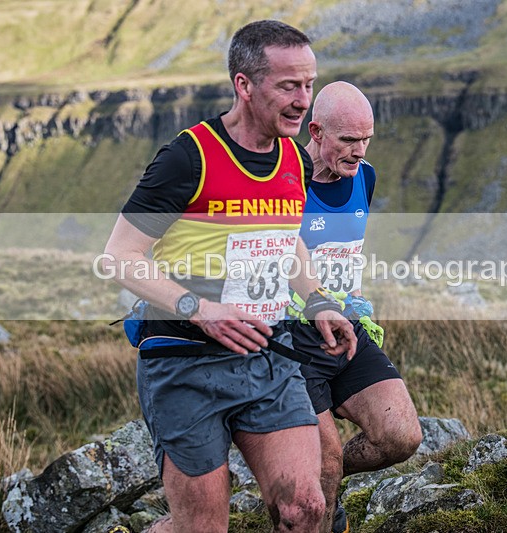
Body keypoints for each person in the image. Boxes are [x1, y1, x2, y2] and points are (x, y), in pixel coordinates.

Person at [102, 21, 356, 533]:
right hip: (184, 364)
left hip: (267, 356)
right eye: (288, 86)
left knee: (306, 508)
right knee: (202, 527)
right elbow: (120, 256)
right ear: (244, 85)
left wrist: (317, 299)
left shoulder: (293, 158)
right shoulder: (188, 157)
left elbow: (285, 238)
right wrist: (200, 310)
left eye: (309, 84)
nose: (303, 101)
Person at [289, 81, 423, 533]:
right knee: (323, 462)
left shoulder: (364, 176)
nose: (359, 151)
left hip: (348, 329)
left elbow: (347, 249)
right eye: (348, 140)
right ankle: (320, 491)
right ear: (316, 132)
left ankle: (321, 482)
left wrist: (357, 301)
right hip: (293, 338)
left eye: (367, 139)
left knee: (401, 437)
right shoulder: (284, 179)